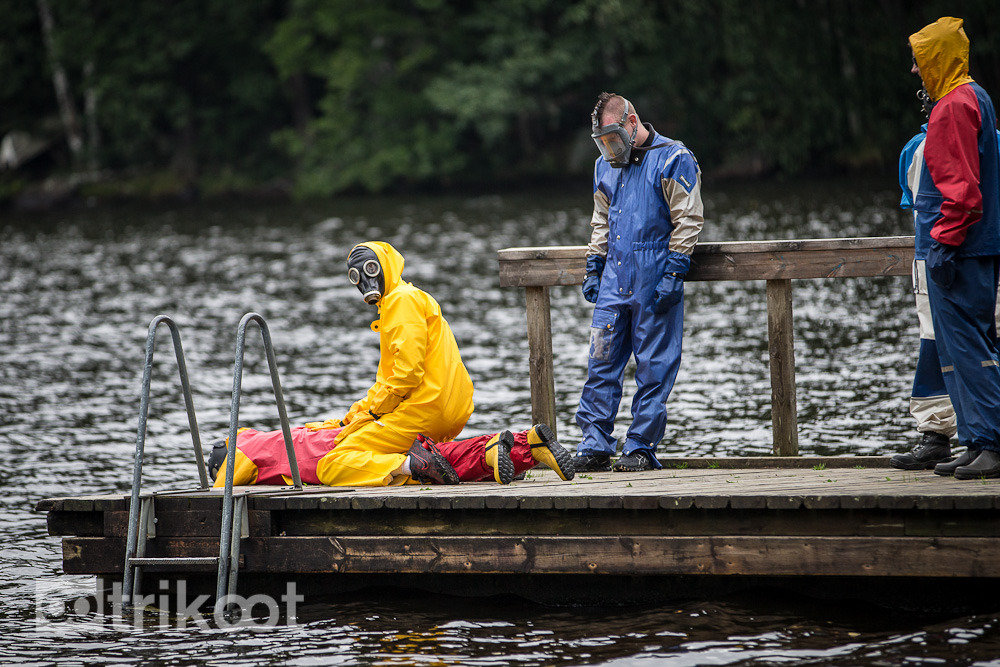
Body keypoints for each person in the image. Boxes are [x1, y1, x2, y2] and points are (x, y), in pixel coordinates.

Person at [574, 93, 705, 472]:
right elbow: (601, 219)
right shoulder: (604, 166)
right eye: (601, 141)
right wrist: (593, 265)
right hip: (614, 273)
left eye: (612, 138)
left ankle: (640, 446)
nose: (608, 147)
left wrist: (674, 271)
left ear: (631, 123)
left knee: (653, 365)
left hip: (654, 275)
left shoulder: (674, 158)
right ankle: (594, 443)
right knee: (601, 362)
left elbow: (688, 219)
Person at [902, 17, 1000, 479]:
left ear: (937, 59)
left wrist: (943, 245)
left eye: (921, 61)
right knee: (959, 351)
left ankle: (992, 443)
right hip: (972, 247)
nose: (916, 71)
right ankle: (976, 438)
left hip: (962, 250)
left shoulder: (953, 106)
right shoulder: (974, 96)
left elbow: (962, 191)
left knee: (970, 346)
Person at [890, 121, 1000, 472]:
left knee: (974, 343)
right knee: (936, 342)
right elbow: (916, 204)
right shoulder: (917, 147)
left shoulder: (989, 142)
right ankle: (943, 436)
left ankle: (980, 438)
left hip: (971, 255)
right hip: (936, 257)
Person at [207, 422, 574, 486]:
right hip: (355, 434)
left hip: (334, 458)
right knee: (444, 456)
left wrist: (214, 482)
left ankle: (410, 465)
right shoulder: (273, 433)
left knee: (338, 472)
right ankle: (527, 445)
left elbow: (227, 484)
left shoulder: (242, 450)